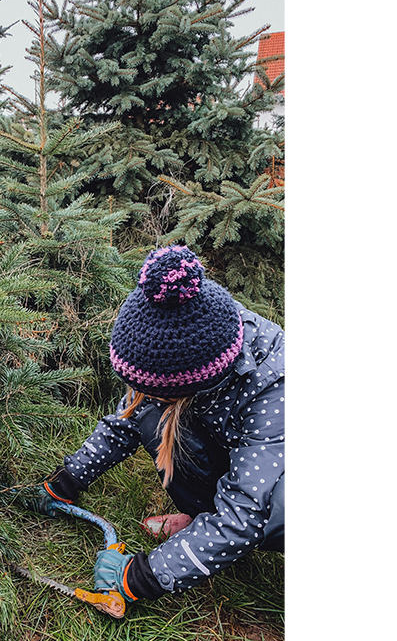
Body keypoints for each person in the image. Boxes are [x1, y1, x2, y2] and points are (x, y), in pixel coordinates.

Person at [37, 244, 284, 606]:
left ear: (191, 384)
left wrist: (145, 575)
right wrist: (67, 481)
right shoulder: (195, 348)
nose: (143, 396)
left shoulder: (275, 385)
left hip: (281, 476)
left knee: (279, 500)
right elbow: (129, 416)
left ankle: (211, 538)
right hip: (236, 452)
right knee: (154, 418)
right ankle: (201, 521)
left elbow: (245, 511)